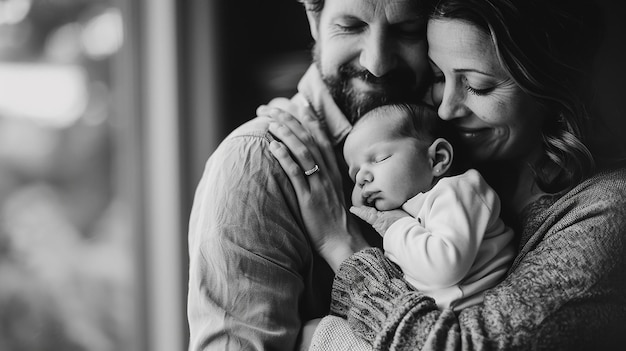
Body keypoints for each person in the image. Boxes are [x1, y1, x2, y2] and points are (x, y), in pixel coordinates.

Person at [265, 0, 626, 349]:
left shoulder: (606, 210)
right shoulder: (444, 165)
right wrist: (299, 119)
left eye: (479, 86)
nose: (446, 108)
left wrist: (340, 245)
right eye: (439, 76)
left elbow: (462, 344)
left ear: (550, 85)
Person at [186, 0, 433, 349]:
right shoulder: (260, 162)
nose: (377, 63)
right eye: (350, 26)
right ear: (314, 21)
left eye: (406, 30)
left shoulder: (458, 141)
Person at [340, 103, 515, 312]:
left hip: (473, 319)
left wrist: (394, 226)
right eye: (355, 174)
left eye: (379, 159)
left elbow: (445, 267)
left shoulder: (458, 191)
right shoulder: (408, 211)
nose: (361, 178)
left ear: (437, 158)